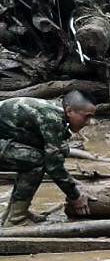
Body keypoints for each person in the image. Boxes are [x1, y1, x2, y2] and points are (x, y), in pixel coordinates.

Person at [0, 92, 95, 225]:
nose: (89, 123)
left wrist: (73, 183)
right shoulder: (52, 118)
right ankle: (17, 218)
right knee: (36, 162)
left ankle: (14, 213)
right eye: (86, 117)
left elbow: (55, 150)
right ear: (69, 111)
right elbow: (53, 165)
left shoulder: (55, 112)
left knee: (35, 157)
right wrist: (75, 196)